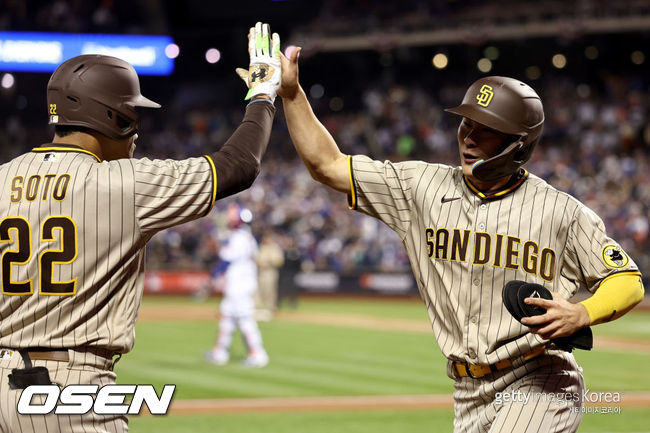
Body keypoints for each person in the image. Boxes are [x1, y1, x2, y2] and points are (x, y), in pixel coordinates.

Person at [277, 45, 645, 433]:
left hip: (538, 380)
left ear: (517, 143)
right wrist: (292, 95)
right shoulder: (419, 186)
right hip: (466, 392)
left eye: (486, 130)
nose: (469, 137)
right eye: (466, 124)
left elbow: (626, 279)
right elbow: (327, 165)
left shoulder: (561, 212)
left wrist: (582, 313)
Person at [0, 21, 280, 432]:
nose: (136, 132)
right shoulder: (125, 182)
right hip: (69, 387)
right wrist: (262, 94)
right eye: (132, 115)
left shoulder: (3, 177)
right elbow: (238, 167)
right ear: (111, 118)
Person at [205, 203, 269, 367]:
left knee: (244, 319)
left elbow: (225, 261)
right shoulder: (247, 238)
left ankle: (257, 354)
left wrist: (212, 277)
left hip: (239, 284)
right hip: (242, 282)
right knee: (228, 317)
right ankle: (220, 352)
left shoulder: (238, 238)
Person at [255, 231, 284, 321]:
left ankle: (270, 309)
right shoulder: (261, 248)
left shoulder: (274, 248)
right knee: (259, 291)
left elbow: (279, 261)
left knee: (270, 290)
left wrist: (268, 261)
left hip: (270, 271)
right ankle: (259, 310)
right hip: (260, 272)